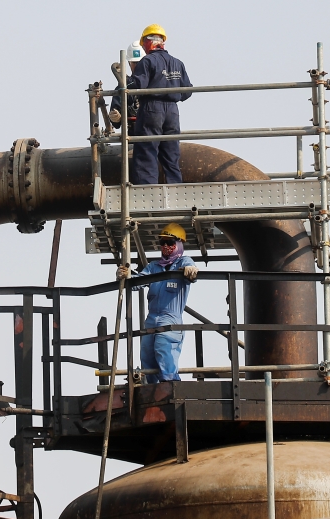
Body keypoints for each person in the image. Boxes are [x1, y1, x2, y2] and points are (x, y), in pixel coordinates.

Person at [116, 223, 198, 383]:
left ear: (179, 244)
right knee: (147, 354)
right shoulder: (154, 267)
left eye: (170, 243)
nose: (166, 246)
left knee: (164, 348)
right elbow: (137, 282)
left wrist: (191, 270)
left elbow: (191, 268)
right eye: (163, 243)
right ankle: (151, 391)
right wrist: (126, 276)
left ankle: (171, 386)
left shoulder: (183, 262)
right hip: (151, 320)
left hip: (171, 318)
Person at [128, 24, 192, 185]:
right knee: (171, 152)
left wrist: (124, 88)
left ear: (148, 42)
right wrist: (172, 93)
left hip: (152, 108)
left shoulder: (147, 61)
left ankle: (147, 190)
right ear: (162, 42)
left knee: (147, 150)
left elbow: (138, 86)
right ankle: (175, 188)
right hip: (172, 112)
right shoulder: (178, 63)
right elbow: (187, 91)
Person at [109, 41, 144, 136]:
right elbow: (116, 121)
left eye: (140, 62)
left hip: (156, 136)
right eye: (134, 63)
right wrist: (116, 117)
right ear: (129, 63)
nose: (137, 66)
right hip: (134, 137)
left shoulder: (156, 83)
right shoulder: (124, 86)